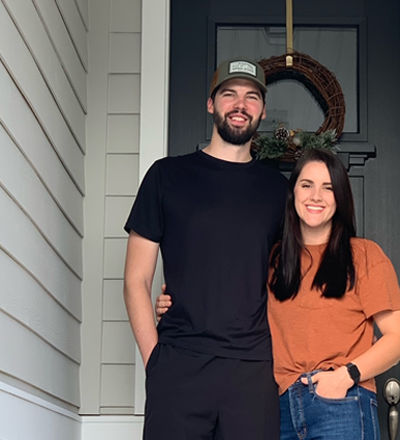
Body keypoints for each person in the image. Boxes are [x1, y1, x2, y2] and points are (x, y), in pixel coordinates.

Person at [157, 149, 400, 440]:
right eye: (307, 185)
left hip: (341, 403)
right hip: (279, 408)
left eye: (328, 188)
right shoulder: (272, 259)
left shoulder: (364, 256)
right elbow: (226, 296)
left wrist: (345, 377)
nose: (316, 196)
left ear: (340, 198)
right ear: (292, 194)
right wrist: (175, 302)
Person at [123, 57, 287, 440]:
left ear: (261, 111)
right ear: (211, 104)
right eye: (229, 94)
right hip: (179, 364)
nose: (240, 105)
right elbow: (136, 278)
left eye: (251, 97)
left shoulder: (277, 189)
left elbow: (292, 278)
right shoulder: (167, 176)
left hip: (254, 369)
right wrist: (155, 360)